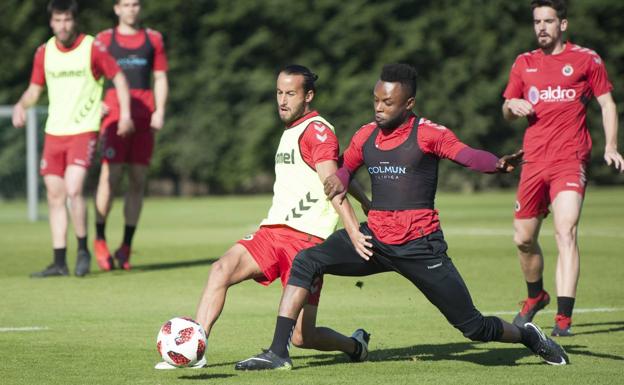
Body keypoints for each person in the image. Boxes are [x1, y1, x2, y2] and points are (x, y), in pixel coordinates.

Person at [235, 63, 569, 371]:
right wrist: (340, 178)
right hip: (375, 240)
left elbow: (465, 154)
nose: (379, 107)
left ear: (408, 103)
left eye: (387, 102)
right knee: (306, 261)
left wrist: (495, 164)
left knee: (473, 327)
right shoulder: (366, 135)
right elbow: (347, 167)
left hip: (420, 247)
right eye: (375, 100)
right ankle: (278, 353)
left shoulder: (428, 133)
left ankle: (527, 336)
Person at [155, 65, 372, 369]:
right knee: (221, 269)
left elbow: (332, 184)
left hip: (307, 240)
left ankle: (354, 345)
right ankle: (195, 351)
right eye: (279, 93)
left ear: (308, 95)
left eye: (291, 94)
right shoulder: (293, 130)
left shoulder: (318, 130)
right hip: (272, 232)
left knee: (301, 336)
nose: (283, 100)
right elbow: (339, 169)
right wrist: (367, 201)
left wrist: (352, 229)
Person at [502, 0, 623, 336]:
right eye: (537, 21)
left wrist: (610, 145)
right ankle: (536, 295)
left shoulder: (587, 59)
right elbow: (506, 110)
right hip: (533, 160)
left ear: (563, 24)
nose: (541, 27)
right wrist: (512, 106)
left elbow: (607, 104)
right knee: (523, 239)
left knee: (565, 232)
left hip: (570, 159)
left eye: (548, 21)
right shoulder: (524, 63)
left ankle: (563, 320)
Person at [12, 0, 132, 278]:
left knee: (74, 189)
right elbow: (34, 89)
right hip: (54, 132)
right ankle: (59, 261)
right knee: (55, 195)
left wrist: (124, 114)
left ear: (74, 21)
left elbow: (120, 78)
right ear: (51, 22)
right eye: (58, 20)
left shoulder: (92, 47)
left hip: (83, 130)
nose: (62, 25)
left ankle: (82, 250)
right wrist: (21, 105)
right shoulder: (44, 52)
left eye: (67, 20)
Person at [93, 0, 169, 271]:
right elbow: (89, 75)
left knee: (137, 180)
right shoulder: (103, 39)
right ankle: (99, 239)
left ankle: (125, 246)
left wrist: (159, 110)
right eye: (126, 4)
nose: (131, 9)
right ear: (116, 8)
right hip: (114, 114)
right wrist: (95, 101)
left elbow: (160, 77)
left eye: (135, 4)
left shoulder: (153, 39)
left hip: (143, 114)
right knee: (109, 177)